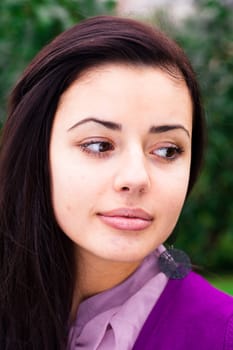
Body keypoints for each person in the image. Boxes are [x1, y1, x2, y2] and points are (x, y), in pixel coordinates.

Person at [0, 15, 232, 350]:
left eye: (167, 150)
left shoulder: (220, 334)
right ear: (37, 152)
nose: (136, 178)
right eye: (98, 145)